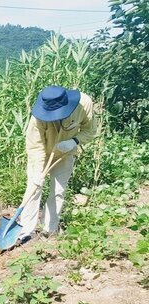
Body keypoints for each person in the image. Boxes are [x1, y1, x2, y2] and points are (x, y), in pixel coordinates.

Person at [17, 85, 100, 246]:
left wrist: (74, 141)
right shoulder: (37, 118)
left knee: (58, 191)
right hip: (41, 154)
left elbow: (90, 131)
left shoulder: (84, 104)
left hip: (65, 153)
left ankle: (49, 230)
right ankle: (25, 232)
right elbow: (36, 147)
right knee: (33, 189)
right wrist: (38, 174)